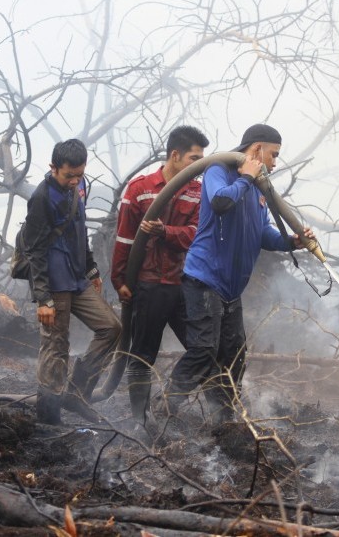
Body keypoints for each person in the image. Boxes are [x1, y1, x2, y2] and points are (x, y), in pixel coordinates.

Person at [164, 124, 314, 424]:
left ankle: (224, 418)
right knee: (205, 349)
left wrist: (292, 242)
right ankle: (166, 407)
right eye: (273, 155)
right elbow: (221, 203)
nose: (274, 163)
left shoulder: (257, 188)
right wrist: (246, 176)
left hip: (231, 289)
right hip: (204, 279)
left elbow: (263, 234)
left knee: (234, 355)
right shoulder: (219, 170)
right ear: (257, 149)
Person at [111, 126, 209, 428]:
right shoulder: (140, 188)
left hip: (182, 284)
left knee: (202, 348)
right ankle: (140, 422)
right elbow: (125, 238)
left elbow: (195, 234)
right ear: (175, 156)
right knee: (142, 355)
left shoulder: (197, 190)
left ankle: (167, 402)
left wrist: (165, 232)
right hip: (149, 285)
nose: (199, 166)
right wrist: (120, 281)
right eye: (194, 158)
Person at [23, 139, 121, 424]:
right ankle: (48, 417)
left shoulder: (79, 187)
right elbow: (34, 251)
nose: (75, 180)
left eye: (79, 173)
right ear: (54, 168)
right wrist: (43, 299)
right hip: (54, 281)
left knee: (112, 327)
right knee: (56, 346)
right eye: (69, 175)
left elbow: (79, 231)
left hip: (77, 278)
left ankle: (76, 394)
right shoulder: (41, 197)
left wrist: (91, 270)